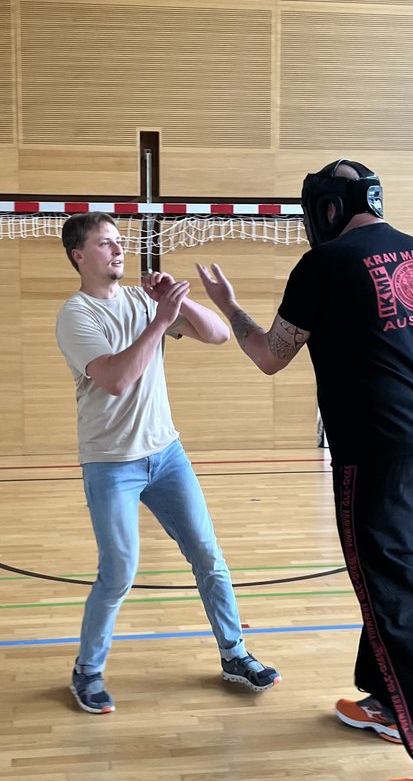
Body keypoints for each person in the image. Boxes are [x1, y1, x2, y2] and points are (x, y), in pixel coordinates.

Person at [196, 161, 413, 781]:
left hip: (374, 454)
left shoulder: (324, 266)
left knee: (396, 606)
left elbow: (269, 355)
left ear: (326, 209)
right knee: (398, 583)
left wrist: (230, 307)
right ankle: (386, 703)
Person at [55, 212, 280, 714]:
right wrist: (159, 322)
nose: (118, 250)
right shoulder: (76, 315)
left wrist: (175, 303)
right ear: (79, 256)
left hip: (166, 454)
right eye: (105, 243)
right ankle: (87, 671)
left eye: (119, 241)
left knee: (209, 556)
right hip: (111, 462)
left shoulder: (141, 301)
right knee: (119, 571)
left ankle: (234, 654)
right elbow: (116, 380)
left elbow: (218, 335)